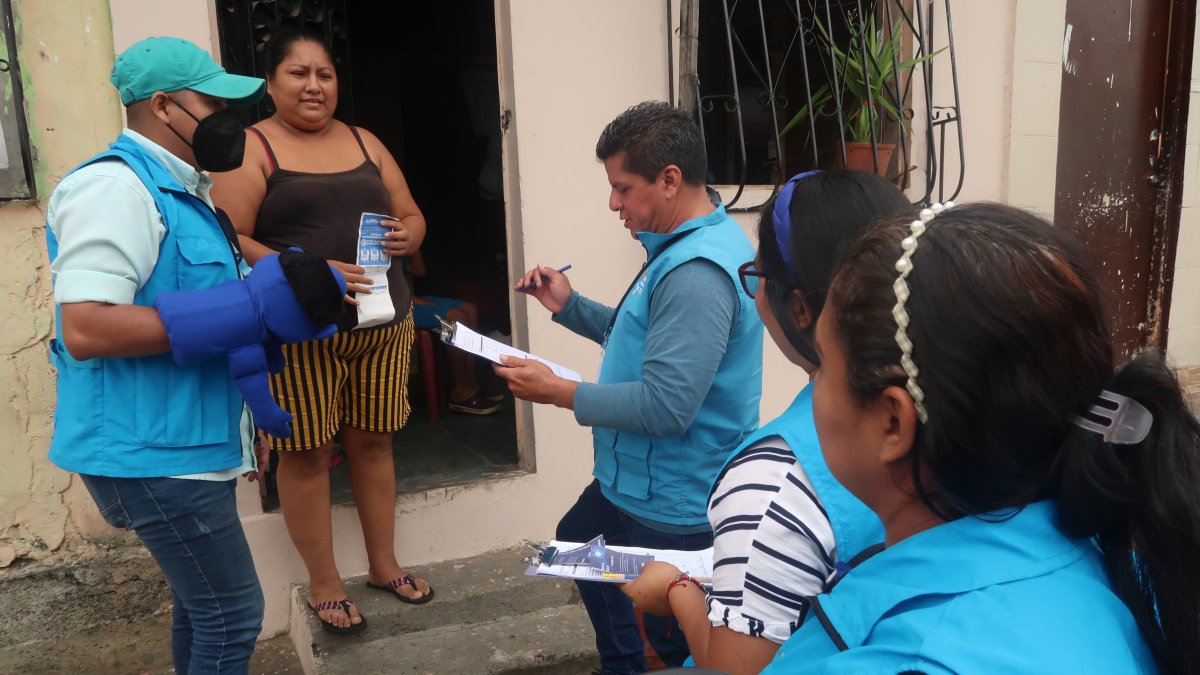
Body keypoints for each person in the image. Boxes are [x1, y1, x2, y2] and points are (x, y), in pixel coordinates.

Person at [762, 203, 1200, 673]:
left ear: (892, 422)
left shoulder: (904, 660)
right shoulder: (1125, 575)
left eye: (824, 363)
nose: (816, 383)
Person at [45, 37, 346, 673]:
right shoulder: (114, 189)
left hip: (186, 443)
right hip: (152, 451)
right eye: (211, 101)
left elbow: (208, 318)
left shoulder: (187, 194)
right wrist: (245, 312)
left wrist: (245, 420)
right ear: (161, 106)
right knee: (233, 617)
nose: (226, 117)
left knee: (202, 607)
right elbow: (88, 328)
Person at [497, 101, 764, 673]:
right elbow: (643, 341)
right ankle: (624, 661)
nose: (614, 203)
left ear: (670, 180)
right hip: (633, 483)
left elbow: (667, 406)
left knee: (675, 636)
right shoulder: (677, 246)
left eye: (623, 188)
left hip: (673, 499)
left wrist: (558, 391)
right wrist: (569, 307)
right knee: (577, 549)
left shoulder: (697, 273)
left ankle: (644, 659)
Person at [620, 170, 908, 674]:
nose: (752, 293)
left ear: (798, 307)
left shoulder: (773, 482)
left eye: (757, 277)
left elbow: (733, 669)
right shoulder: (957, 410)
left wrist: (677, 591)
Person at [210, 28, 433, 635]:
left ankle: (384, 564)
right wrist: (307, 271)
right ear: (272, 83)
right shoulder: (256, 148)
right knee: (306, 452)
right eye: (298, 74)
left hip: (382, 322)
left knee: (375, 441)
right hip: (301, 331)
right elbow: (230, 238)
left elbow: (411, 214)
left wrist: (409, 235)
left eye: (325, 74)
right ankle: (325, 583)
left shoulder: (366, 142)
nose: (314, 86)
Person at [407, 249, 502, 415]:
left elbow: (419, 270)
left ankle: (470, 383)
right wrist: (414, 300)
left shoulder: (394, 235)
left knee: (471, 309)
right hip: (394, 303)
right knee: (455, 319)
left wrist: (413, 241)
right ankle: (460, 391)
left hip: (408, 296)